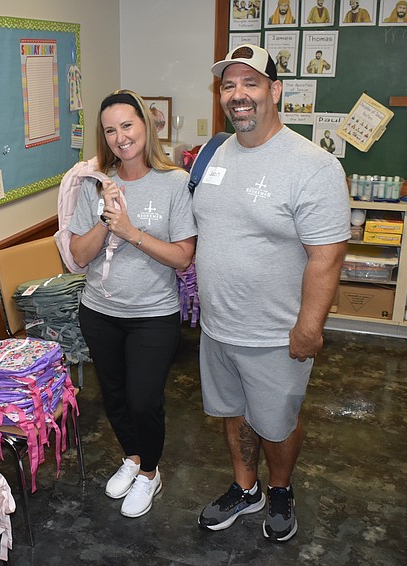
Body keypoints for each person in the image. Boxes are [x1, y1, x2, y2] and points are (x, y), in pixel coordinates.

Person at [194, 44, 350, 543]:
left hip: (275, 334)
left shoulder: (313, 166)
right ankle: (247, 489)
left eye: (251, 83)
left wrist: (309, 327)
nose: (238, 95)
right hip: (218, 326)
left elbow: (327, 255)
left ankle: (280, 488)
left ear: (275, 91)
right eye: (228, 85)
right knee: (234, 413)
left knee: (277, 424)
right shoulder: (215, 152)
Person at [68, 89, 197, 519]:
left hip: (153, 316)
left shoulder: (176, 183)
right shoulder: (96, 184)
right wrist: (107, 222)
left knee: (145, 401)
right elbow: (80, 256)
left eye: (127, 125)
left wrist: (129, 230)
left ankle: (151, 472)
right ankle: (134, 457)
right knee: (117, 398)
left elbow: (182, 256)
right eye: (110, 130)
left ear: (146, 125)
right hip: (99, 311)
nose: (121, 137)